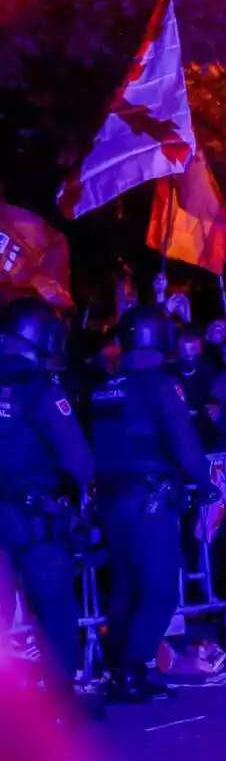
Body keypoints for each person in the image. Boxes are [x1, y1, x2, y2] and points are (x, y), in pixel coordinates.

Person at [88, 306, 216, 702]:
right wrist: (205, 483)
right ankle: (131, 671)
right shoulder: (162, 385)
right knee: (160, 589)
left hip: (111, 502)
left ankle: (117, 668)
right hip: (149, 503)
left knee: (125, 585)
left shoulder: (103, 388)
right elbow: (183, 442)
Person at [0, 297, 98, 716]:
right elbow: (77, 457)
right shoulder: (40, 387)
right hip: (31, 514)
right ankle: (62, 696)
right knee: (55, 602)